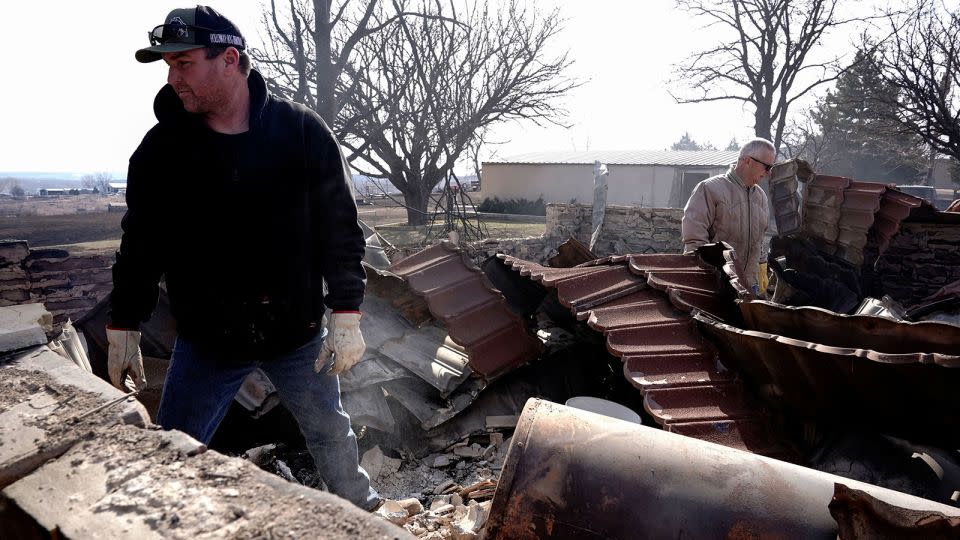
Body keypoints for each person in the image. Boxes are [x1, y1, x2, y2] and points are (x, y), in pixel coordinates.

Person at [106, 6, 380, 511]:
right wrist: (124, 320)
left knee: (331, 434)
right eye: (167, 65)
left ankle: (365, 516)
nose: (172, 77)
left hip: (297, 336)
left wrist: (346, 311)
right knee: (174, 449)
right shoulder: (162, 151)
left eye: (184, 62)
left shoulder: (301, 133)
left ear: (229, 59)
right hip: (208, 342)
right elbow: (142, 242)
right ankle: (163, 524)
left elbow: (339, 228)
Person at [681, 138, 774, 293]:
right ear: (747, 161)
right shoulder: (710, 189)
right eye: (767, 166)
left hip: (749, 287)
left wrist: (762, 263)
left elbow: (758, 239)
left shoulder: (761, 197)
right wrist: (704, 281)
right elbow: (694, 241)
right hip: (716, 286)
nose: (769, 172)